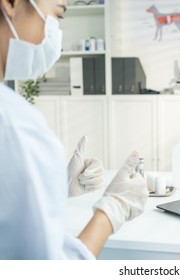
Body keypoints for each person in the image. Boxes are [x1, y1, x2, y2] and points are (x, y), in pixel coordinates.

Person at [0, 0, 149, 259]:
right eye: (58, 16)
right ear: (10, 4)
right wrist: (112, 210)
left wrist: (57, 189)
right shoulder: (14, 124)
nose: (55, 34)